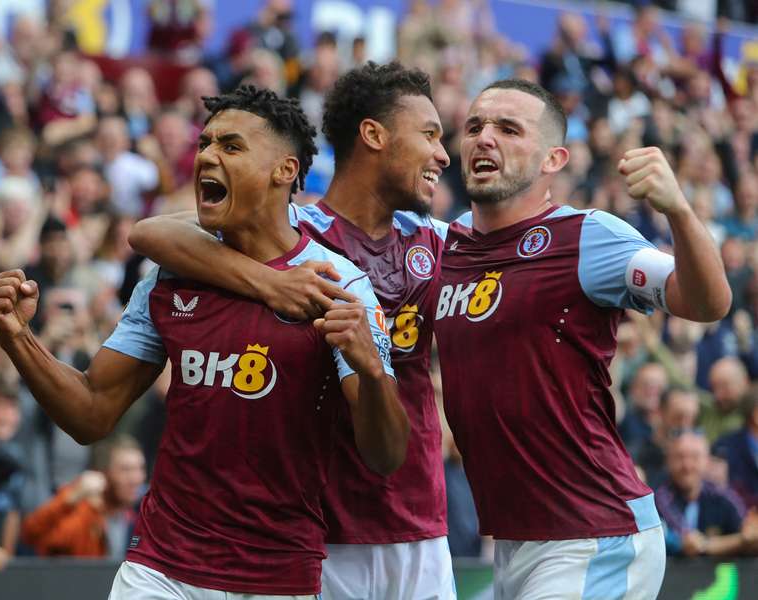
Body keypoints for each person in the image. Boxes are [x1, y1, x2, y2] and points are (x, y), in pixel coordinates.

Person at [0, 85, 405, 598]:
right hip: (162, 569)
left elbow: (386, 456)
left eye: (231, 146)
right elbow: (91, 412)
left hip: (278, 574)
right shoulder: (170, 278)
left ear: (285, 171)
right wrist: (18, 338)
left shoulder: (339, 284)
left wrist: (372, 373)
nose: (206, 155)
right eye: (205, 144)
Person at [129, 62, 456, 598]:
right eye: (429, 134)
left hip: (418, 523)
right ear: (373, 135)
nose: (443, 154)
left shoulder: (438, 240)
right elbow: (151, 234)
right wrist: (268, 282)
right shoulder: (292, 229)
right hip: (323, 531)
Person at [433, 78, 731, 598]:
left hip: (595, 532)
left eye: (508, 129)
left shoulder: (589, 236)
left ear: (554, 159)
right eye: (475, 126)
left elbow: (706, 303)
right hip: (515, 541)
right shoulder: (449, 244)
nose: (484, 138)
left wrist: (679, 212)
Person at [21, 434, 146, 559]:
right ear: (102, 473)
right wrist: (71, 498)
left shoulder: (138, 518)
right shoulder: (82, 514)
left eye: (140, 468)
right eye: (125, 470)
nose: (136, 479)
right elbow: (30, 534)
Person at [656, 431, 758, 557]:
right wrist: (741, 540)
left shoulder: (722, 496)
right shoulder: (660, 498)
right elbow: (692, 544)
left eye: (695, 457)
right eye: (679, 457)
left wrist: (748, 536)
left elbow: (750, 534)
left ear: (707, 461)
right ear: (668, 462)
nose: (687, 465)